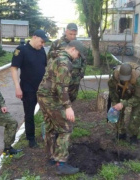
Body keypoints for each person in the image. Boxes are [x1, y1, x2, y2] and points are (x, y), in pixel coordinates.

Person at [37, 40, 85, 175]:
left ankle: (51, 157)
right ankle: (61, 164)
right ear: (73, 49)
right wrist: (68, 107)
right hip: (52, 98)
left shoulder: (56, 56)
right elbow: (61, 87)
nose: (78, 58)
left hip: (43, 96)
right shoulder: (65, 62)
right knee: (65, 128)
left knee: (51, 127)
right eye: (78, 54)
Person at [11, 29, 49, 148]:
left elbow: (45, 68)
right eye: (41, 42)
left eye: (44, 43)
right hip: (28, 88)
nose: (43, 45)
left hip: (42, 88)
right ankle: (31, 138)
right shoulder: (21, 50)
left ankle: (49, 134)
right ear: (34, 37)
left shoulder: (42, 50)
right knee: (29, 114)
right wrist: (17, 87)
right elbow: (14, 68)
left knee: (48, 111)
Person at [108, 62, 140, 144]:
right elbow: (112, 90)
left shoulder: (138, 78)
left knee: (135, 116)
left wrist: (123, 104)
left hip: (137, 95)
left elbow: (138, 98)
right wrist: (116, 102)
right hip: (123, 92)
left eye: (126, 78)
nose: (124, 80)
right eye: (122, 78)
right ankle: (121, 133)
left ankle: (133, 136)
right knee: (116, 111)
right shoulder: (115, 76)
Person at [47, 23, 86, 102]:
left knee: (72, 98)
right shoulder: (57, 43)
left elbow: (84, 60)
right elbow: (49, 58)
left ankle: (69, 111)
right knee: (60, 96)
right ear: (66, 32)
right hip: (61, 76)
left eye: (74, 34)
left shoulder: (79, 44)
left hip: (75, 76)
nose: (72, 36)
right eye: (70, 34)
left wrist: (81, 74)